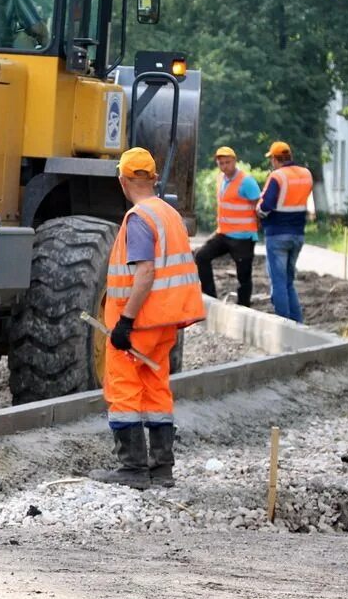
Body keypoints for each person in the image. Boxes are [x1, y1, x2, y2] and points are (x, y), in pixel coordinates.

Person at [91, 148, 207, 489]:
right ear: (154, 178)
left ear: (122, 181)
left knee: (124, 387)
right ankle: (161, 468)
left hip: (140, 320)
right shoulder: (169, 214)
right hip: (165, 322)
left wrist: (125, 321)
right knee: (156, 389)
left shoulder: (139, 218)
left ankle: (132, 468)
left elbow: (145, 273)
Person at [194, 146, 261, 306]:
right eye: (221, 163)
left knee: (243, 276)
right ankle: (210, 297)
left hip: (243, 237)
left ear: (234, 161)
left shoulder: (246, 181)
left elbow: (258, 206)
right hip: (223, 233)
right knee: (201, 256)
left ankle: (244, 306)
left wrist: (255, 229)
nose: (224, 166)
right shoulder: (220, 178)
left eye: (227, 162)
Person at [258, 140, 315, 322]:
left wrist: (258, 211)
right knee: (289, 282)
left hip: (277, 235)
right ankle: (297, 322)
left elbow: (266, 206)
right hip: (298, 234)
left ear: (275, 159)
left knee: (279, 283)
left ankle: (284, 324)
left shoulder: (278, 176)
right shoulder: (306, 174)